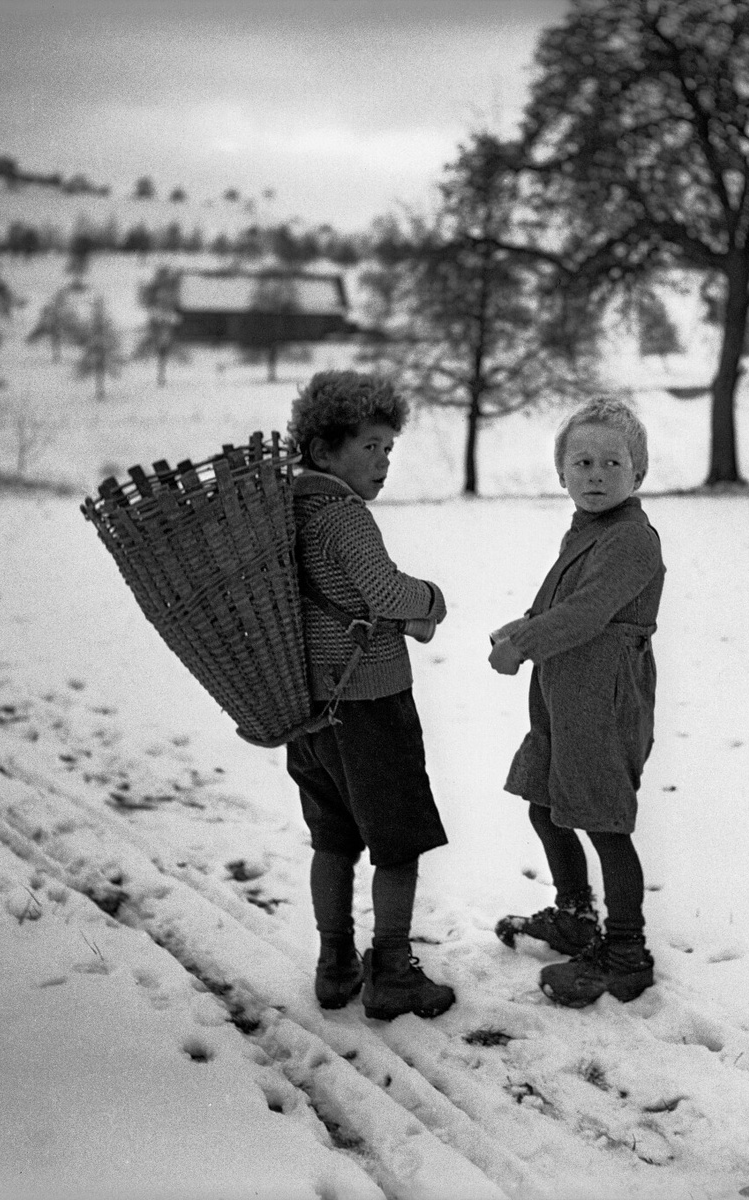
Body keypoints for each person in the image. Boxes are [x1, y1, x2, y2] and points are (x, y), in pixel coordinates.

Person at [286, 370, 454, 1021]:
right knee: (397, 842)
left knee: (332, 839)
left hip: (310, 710)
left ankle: (334, 964)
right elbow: (384, 592)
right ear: (324, 450)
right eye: (371, 446)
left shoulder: (289, 511)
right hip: (371, 705)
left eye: (389, 448)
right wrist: (433, 600)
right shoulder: (343, 517)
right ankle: (391, 970)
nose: (384, 461)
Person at [488, 398, 665, 1006]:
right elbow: (564, 604)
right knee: (546, 802)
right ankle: (573, 914)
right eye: (582, 462)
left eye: (612, 463)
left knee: (601, 820)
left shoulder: (633, 539)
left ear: (637, 474)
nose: (595, 474)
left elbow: (589, 613)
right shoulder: (587, 529)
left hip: (604, 699)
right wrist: (523, 627)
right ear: (561, 473)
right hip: (565, 693)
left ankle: (625, 950)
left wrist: (524, 646)